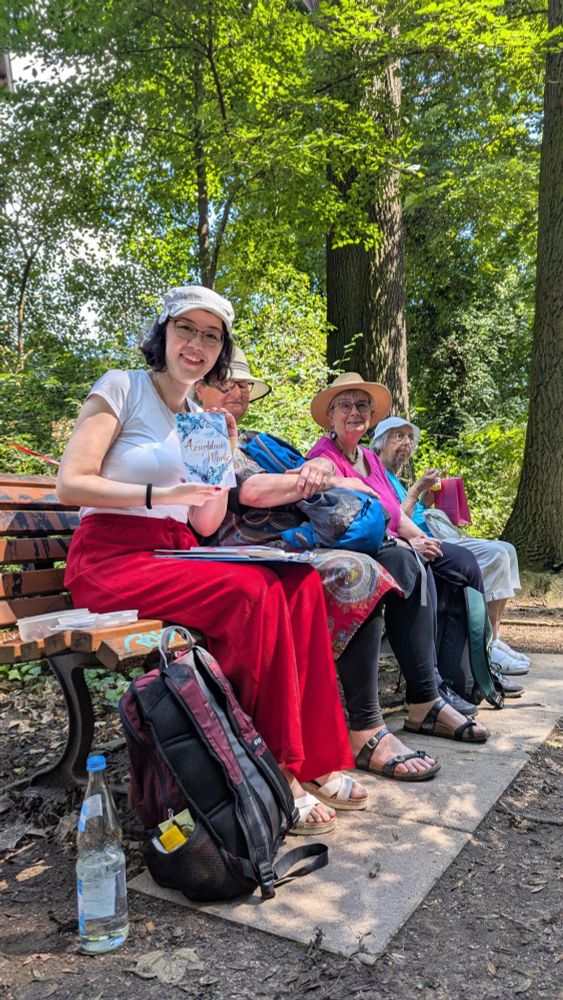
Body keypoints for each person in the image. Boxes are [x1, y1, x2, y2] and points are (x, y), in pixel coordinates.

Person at [56, 286, 367, 835]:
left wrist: (219, 458)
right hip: (109, 559)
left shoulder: (201, 416)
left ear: (219, 349)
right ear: (164, 334)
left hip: (175, 551)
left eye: (211, 335)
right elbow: (70, 483)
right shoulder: (122, 388)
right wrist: (158, 498)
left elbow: (203, 523)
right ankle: (274, 768)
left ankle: (311, 758)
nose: (196, 343)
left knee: (296, 583)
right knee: (254, 594)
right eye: (186, 329)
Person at [195, 361, 488, 784]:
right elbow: (253, 493)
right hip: (256, 548)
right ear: (200, 385)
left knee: (404, 559)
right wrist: (326, 479)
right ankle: (366, 728)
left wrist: (325, 483)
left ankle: (424, 699)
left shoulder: (259, 441)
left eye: (243, 385)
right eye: (226, 384)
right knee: (358, 570)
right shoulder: (202, 437)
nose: (237, 392)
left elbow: (353, 499)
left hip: (298, 539)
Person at [307, 372, 490, 761]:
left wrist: (414, 537)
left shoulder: (370, 458)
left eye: (361, 406)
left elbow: (393, 512)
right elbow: (333, 515)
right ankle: (414, 702)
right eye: (345, 406)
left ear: (371, 415)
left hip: (387, 545)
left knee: (425, 564)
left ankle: (430, 696)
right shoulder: (324, 456)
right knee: (401, 567)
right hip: (343, 549)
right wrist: (406, 542)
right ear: (330, 416)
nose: (354, 413)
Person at [371, 416, 529, 679]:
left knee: (508, 549)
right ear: (379, 444)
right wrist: (415, 491)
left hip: (436, 531)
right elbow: (394, 521)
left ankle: (493, 637)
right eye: (398, 436)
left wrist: (426, 499)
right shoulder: (377, 474)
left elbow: (415, 512)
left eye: (409, 438)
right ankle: (484, 646)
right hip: (422, 542)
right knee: (497, 554)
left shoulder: (395, 477)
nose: (406, 443)